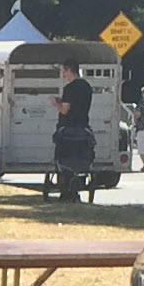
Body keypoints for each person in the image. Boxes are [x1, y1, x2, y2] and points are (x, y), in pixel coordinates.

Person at [52, 59, 95, 199]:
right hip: (83, 126)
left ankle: (65, 184)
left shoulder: (70, 88)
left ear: (70, 70)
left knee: (63, 156)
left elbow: (65, 110)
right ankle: (79, 179)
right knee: (81, 155)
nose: (63, 74)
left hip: (68, 128)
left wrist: (56, 104)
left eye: (64, 71)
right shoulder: (87, 87)